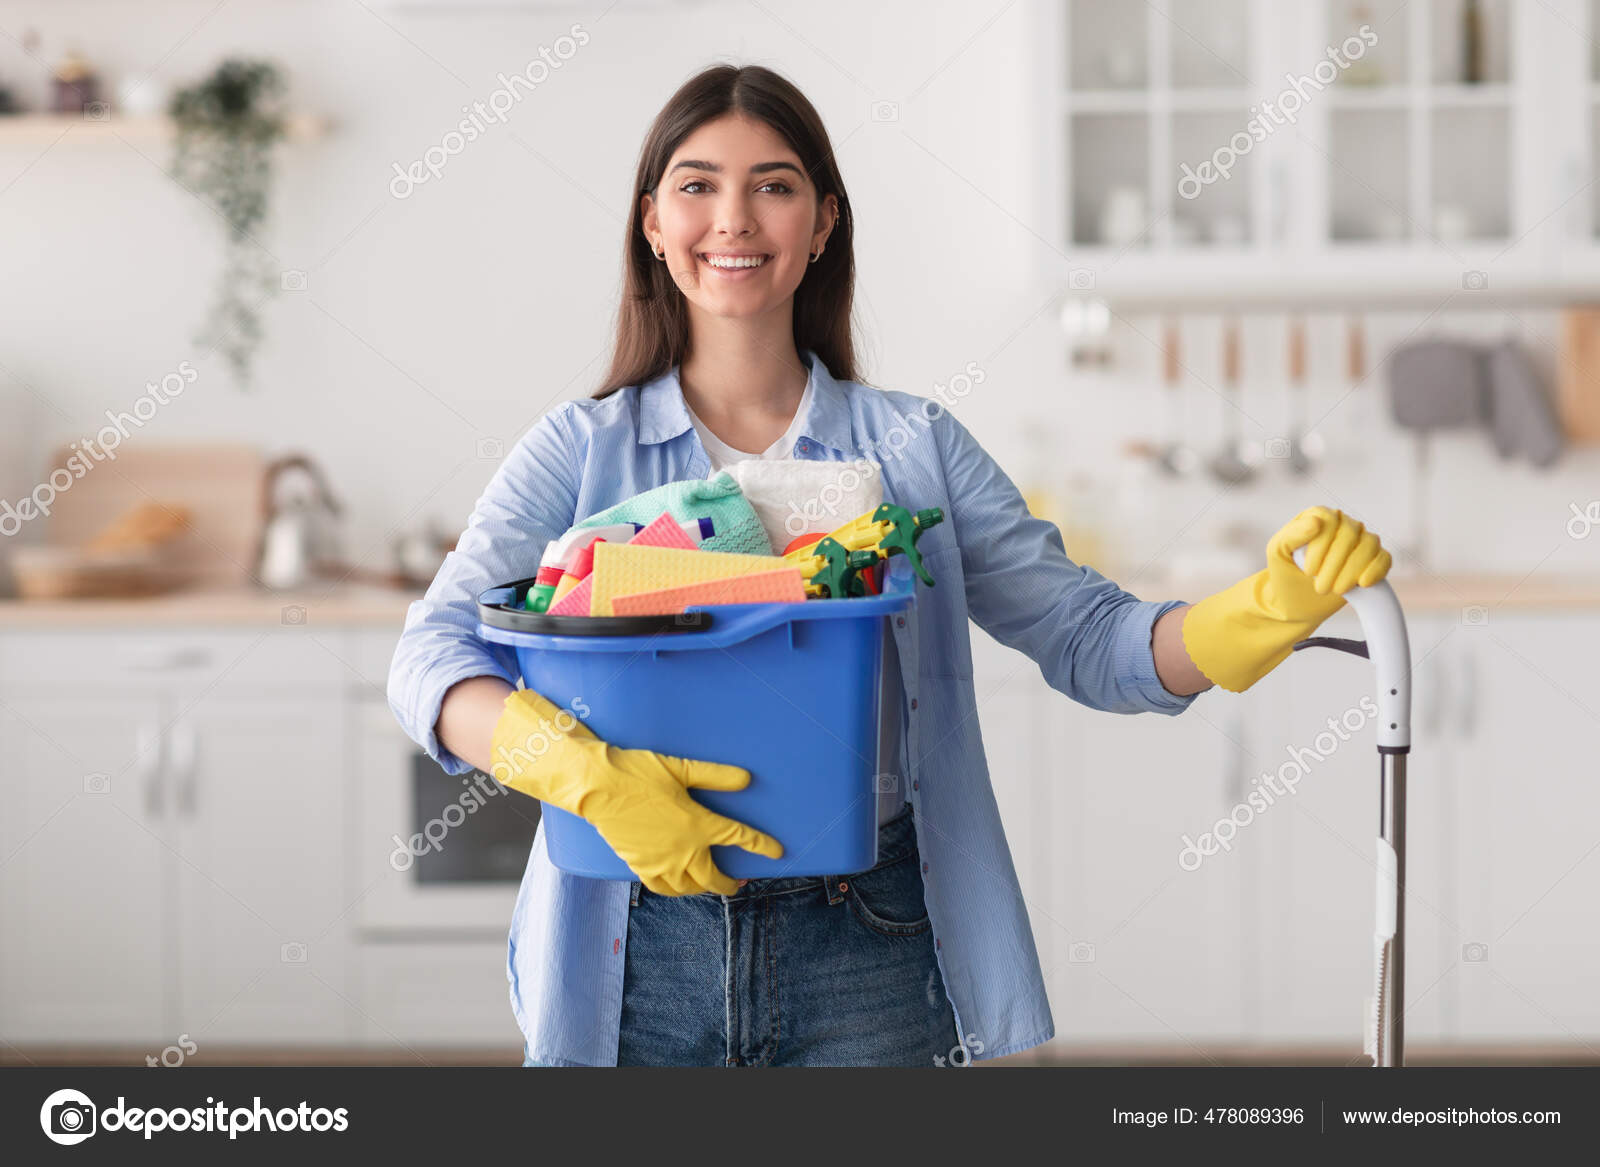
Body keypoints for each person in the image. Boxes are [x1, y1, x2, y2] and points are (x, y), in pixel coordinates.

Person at [386, 64, 1391, 1068]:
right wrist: (583, 778)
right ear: (652, 221)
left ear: (822, 222)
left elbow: (1093, 641)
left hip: (866, 940)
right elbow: (429, 657)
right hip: (636, 941)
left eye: (773, 186)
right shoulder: (579, 451)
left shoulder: (913, 450)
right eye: (697, 186)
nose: (732, 219)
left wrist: (1263, 611)